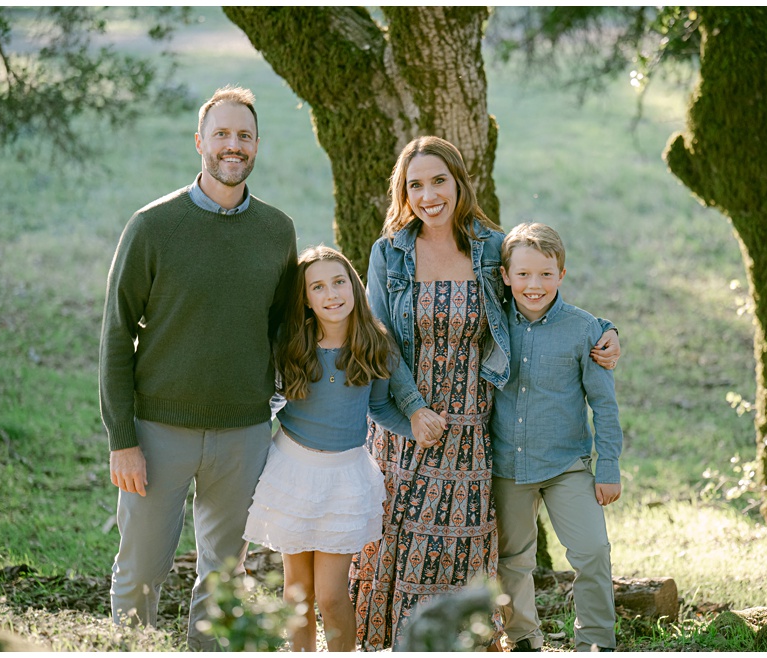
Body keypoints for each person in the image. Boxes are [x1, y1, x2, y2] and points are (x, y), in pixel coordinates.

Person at [348, 136, 622, 650]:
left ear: (458, 183)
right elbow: (379, 337)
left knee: (464, 547)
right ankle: (397, 644)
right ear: (403, 193)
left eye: (439, 181)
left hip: (473, 425)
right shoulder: (389, 254)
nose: (429, 195)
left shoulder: (491, 247)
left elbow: (538, 292)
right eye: (416, 185)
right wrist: (413, 409)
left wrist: (604, 330)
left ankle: (468, 642)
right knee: (399, 537)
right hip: (406, 425)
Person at [98, 85, 297, 651]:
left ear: (256, 145)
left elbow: (283, 331)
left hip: (243, 433)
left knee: (223, 576)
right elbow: (115, 336)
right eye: (222, 135)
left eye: (244, 136)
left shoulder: (277, 231)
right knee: (139, 571)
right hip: (158, 433)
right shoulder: (152, 226)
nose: (232, 146)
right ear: (200, 143)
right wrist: (122, 439)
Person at [243, 245, 418, 652]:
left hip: (345, 478)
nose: (331, 294)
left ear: (354, 286)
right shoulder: (290, 342)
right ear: (305, 298)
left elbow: (378, 408)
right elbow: (268, 398)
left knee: (332, 594)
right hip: (293, 470)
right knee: (297, 591)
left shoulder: (374, 343)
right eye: (317, 287)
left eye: (339, 282)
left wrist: (415, 427)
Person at [490, 222, 623, 652]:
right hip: (508, 464)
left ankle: (597, 642)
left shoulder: (584, 330)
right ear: (506, 275)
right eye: (524, 274)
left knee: (592, 551)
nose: (534, 285)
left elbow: (604, 404)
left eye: (546, 274)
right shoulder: (489, 323)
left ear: (561, 275)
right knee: (514, 560)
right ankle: (524, 637)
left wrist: (609, 466)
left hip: (568, 465)